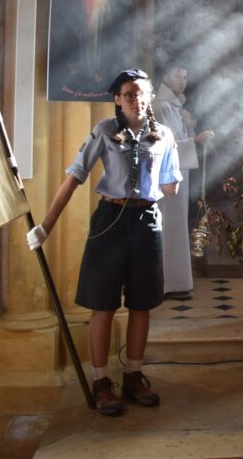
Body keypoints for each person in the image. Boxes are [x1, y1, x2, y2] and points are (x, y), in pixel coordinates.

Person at [27, 69, 181, 416]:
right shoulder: (105, 131)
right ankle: (100, 380)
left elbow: (170, 182)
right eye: (129, 94)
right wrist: (46, 226)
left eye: (141, 93)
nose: (136, 100)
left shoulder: (164, 135)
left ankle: (134, 375)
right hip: (110, 220)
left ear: (150, 97)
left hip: (146, 220)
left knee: (142, 303)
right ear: (117, 99)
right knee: (104, 303)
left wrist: (175, 183)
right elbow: (74, 177)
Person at [152, 64, 213, 299]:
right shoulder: (161, 106)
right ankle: (165, 283)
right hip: (165, 176)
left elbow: (178, 138)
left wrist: (189, 128)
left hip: (178, 173)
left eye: (186, 77)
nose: (183, 81)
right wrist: (195, 140)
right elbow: (164, 146)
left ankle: (176, 282)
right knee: (168, 226)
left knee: (175, 226)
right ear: (165, 77)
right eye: (178, 76)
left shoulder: (174, 105)